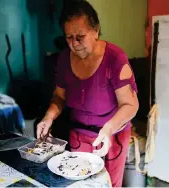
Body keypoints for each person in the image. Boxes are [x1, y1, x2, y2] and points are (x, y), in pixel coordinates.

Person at [37, 1, 139, 187]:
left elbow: (131, 105)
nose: (75, 44)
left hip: (112, 135)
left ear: (96, 30)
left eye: (80, 36)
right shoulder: (63, 59)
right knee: (80, 183)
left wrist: (108, 129)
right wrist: (48, 117)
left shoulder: (115, 58)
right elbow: (59, 96)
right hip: (79, 135)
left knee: (108, 184)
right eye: (69, 37)